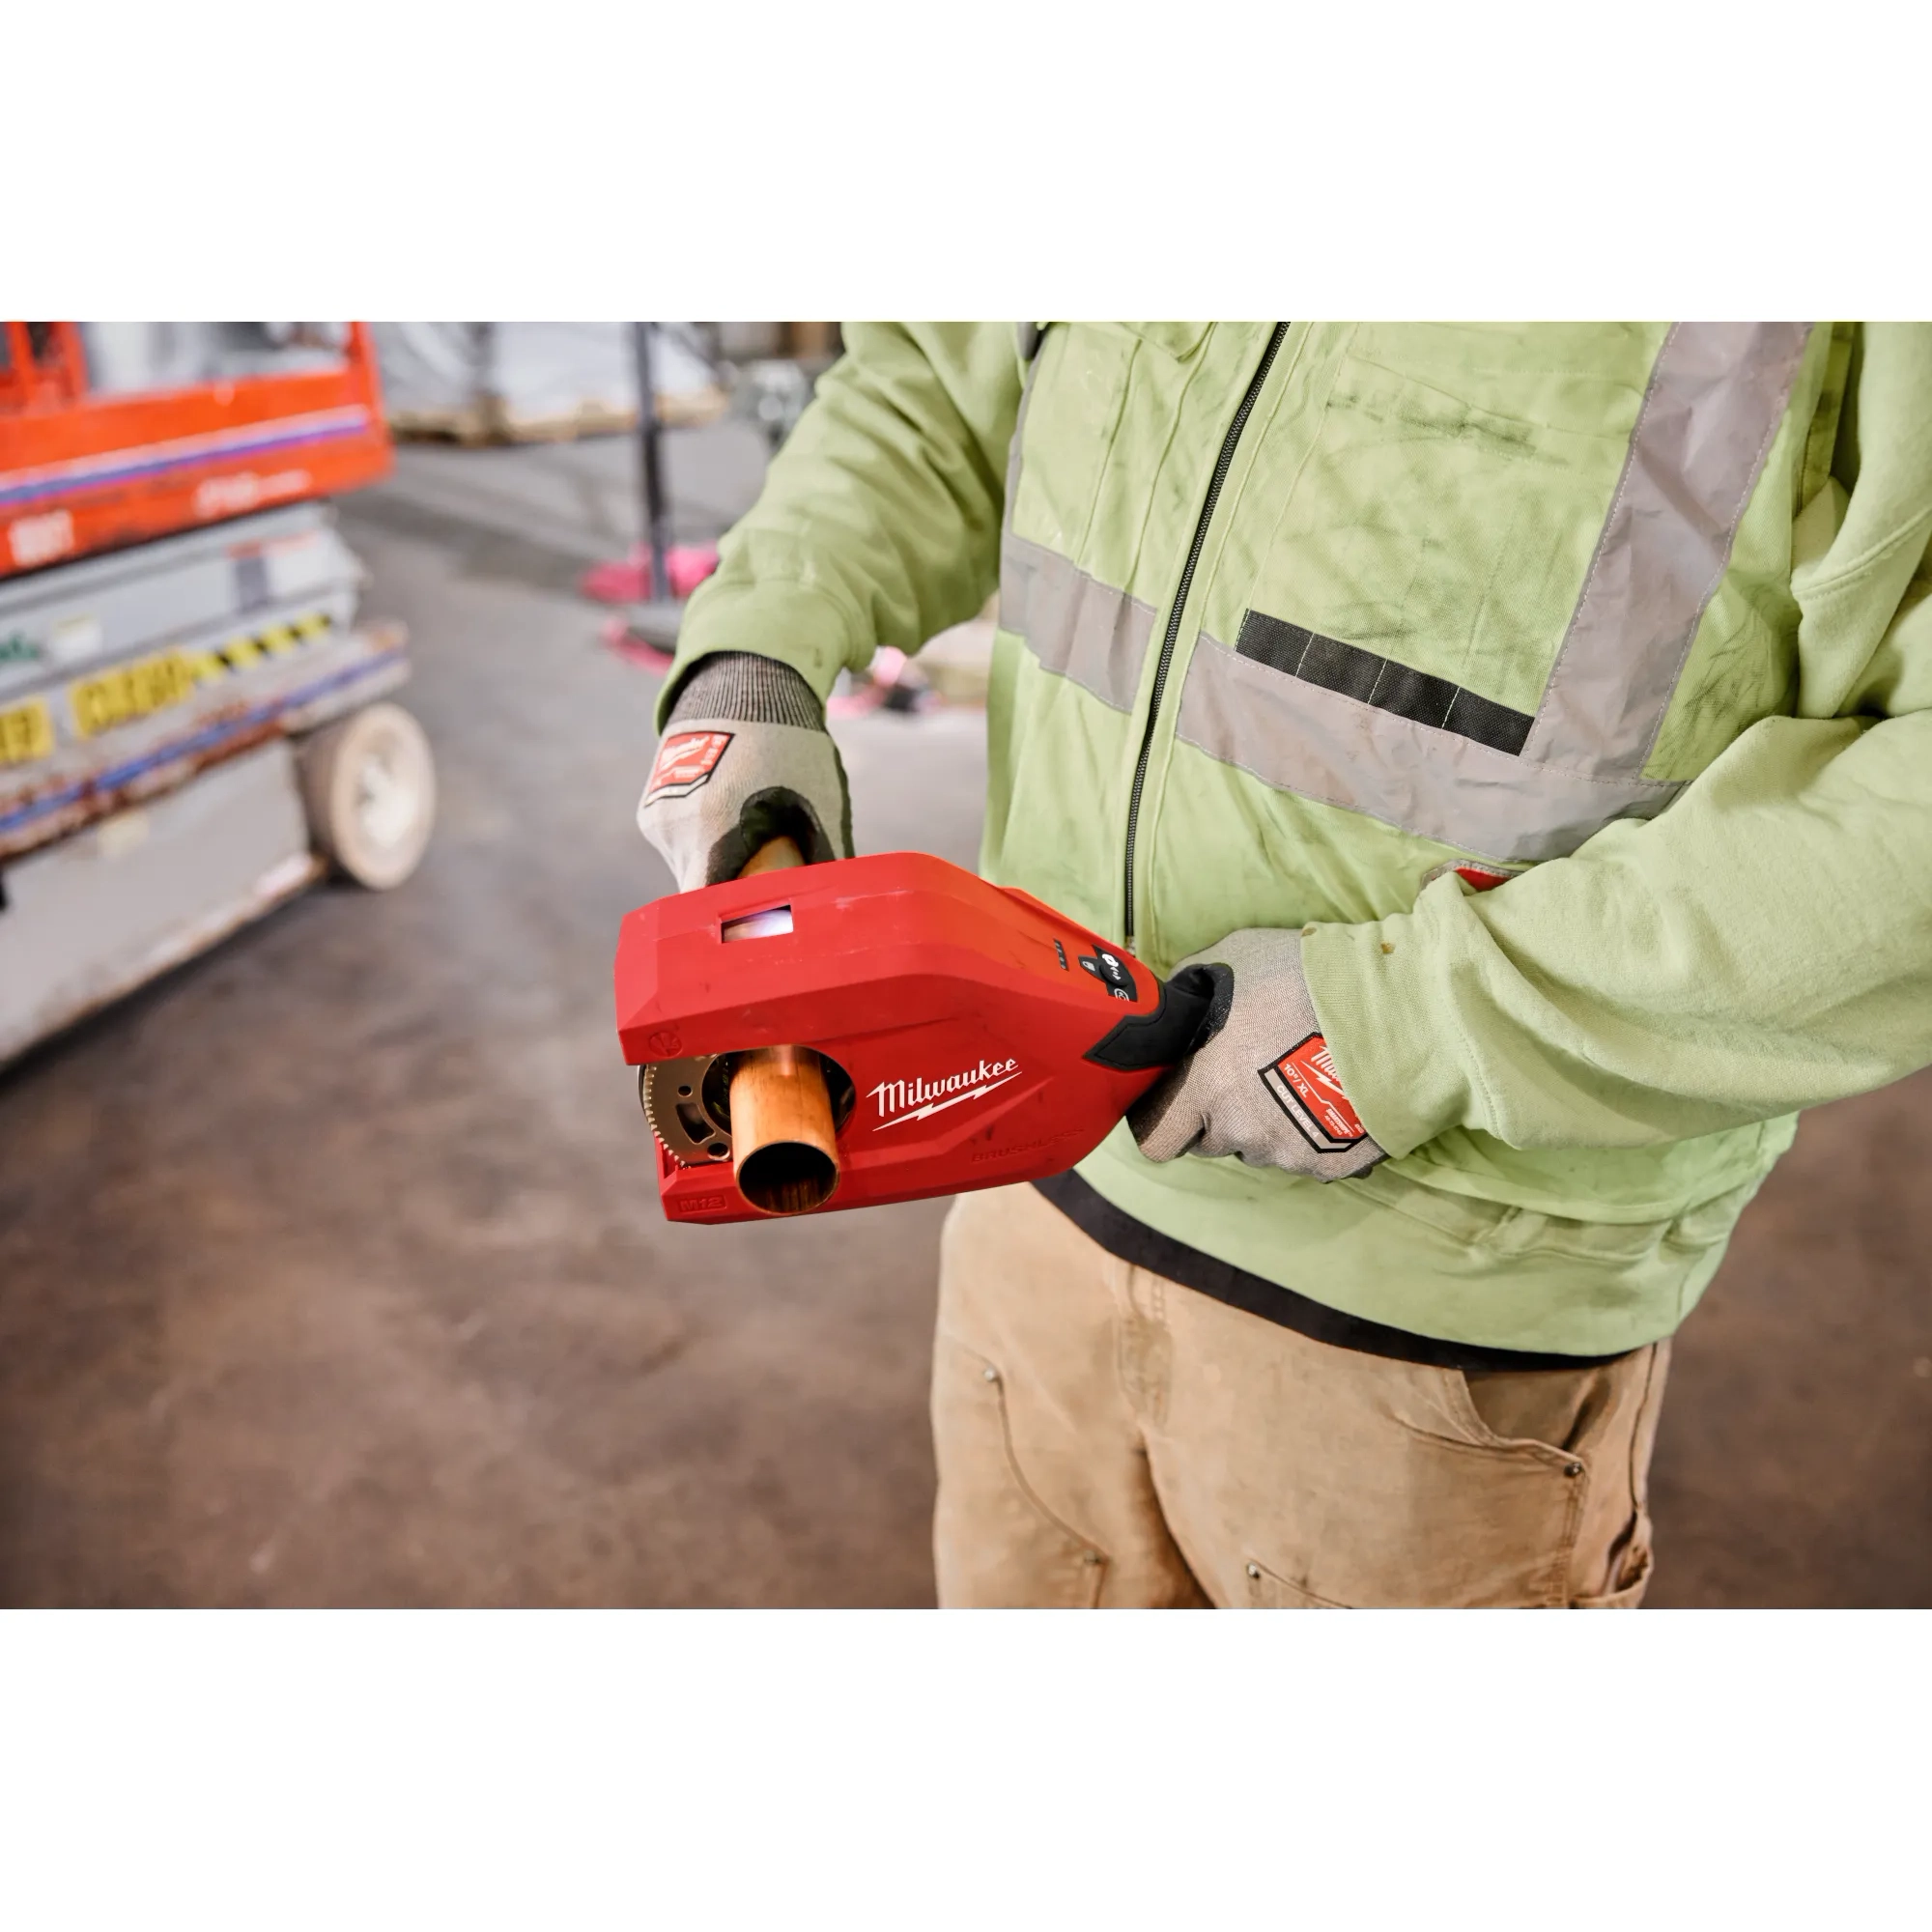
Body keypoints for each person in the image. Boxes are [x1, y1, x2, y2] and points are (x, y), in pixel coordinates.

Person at [639, 322, 1932, 1608]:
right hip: (1029, 1161)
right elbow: (940, 377)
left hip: (1438, 1301)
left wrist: (1406, 1020)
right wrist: (760, 645)